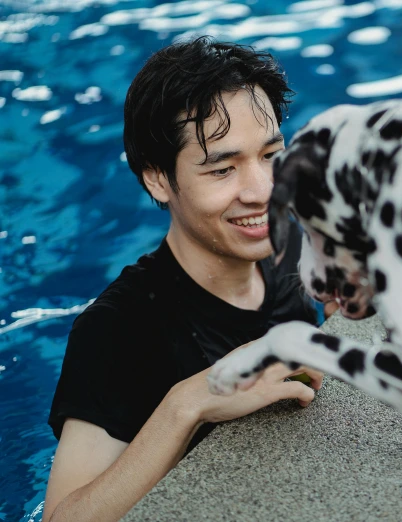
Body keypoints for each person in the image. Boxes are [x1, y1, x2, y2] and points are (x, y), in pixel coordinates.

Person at [42, 36, 326, 522]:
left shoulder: (288, 252)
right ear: (157, 179)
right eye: (223, 169)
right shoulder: (118, 331)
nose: (262, 191)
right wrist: (187, 404)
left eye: (270, 155)